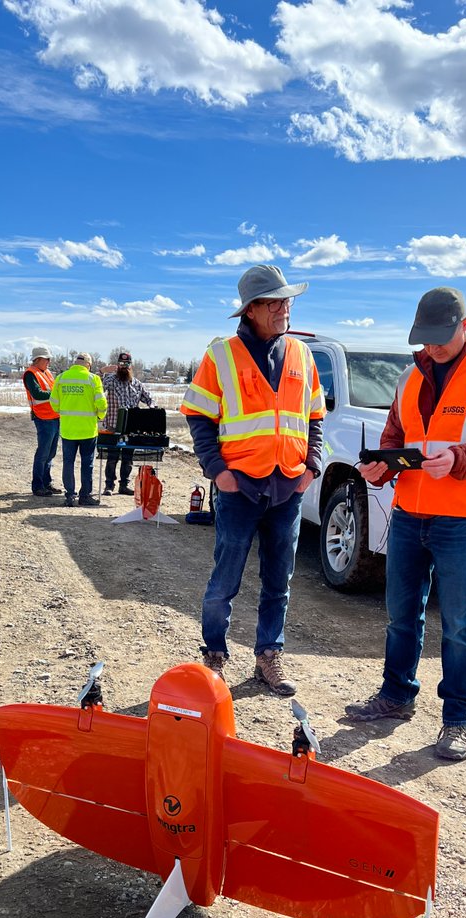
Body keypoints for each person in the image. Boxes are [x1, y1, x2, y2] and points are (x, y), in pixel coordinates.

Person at [345, 286, 466, 760]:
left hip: (462, 519)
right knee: (400, 615)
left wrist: (461, 458)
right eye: (424, 340)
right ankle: (396, 695)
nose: (432, 348)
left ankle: (457, 720)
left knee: (459, 623)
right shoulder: (410, 376)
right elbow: (396, 437)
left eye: (440, 339)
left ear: (464, 325)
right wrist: (381, 467)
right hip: (409, 513)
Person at [181, 264, 325, 697]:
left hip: (288, 488)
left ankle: (268, 656)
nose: (286, 309)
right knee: (225, 580)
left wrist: (312, 466)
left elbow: (314, 415)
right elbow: (199, 416)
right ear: (253, 309)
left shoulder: (301, 354)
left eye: (288, 301)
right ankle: (214, 658)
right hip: (239, 488)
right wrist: (218, 472)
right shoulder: (221, 355)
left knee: (279, 580)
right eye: (278, 302)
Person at [49, 352, 107, 508]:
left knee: (68, 462)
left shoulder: (61, 378)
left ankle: (69, 495)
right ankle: (85, 496)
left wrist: (64, 412)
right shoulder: (93, 379)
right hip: (88, 429)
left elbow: (53, 403)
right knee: (87, 463)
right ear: (88, 365)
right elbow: (101, 404)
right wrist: (99, 417)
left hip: (68, 429)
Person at [100, 352, 155, 495]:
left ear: (131, 366)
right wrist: (102, 373)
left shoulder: (137, 383)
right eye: (121, 364)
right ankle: (109, 486)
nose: (124, 367)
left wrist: (153, 408)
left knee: (128, 458)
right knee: (112, 457)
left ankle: (124, 485)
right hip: (113, 425)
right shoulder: (110, 380)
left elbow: (149, 398)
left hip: (131, 427)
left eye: (127, 364)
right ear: (117, 365)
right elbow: (98, 389)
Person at [23, 346, 61, 497]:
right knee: (43, 453)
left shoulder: (47, 373)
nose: (49, 362)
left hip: (54, 416)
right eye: (47, 359)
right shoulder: (30, 374)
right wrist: (56, 394)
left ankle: (46, 482)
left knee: (51, 452)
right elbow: (37, 394)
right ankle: (38, 485)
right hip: (43, 418)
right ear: (37, 359)